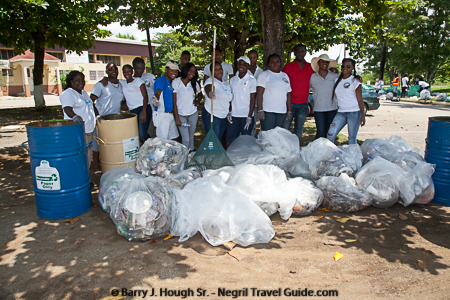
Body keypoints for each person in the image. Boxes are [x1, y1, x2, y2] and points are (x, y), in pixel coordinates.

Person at [90, 63, 124, 176]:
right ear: (106, 71)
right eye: (110, 69)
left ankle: (112, 164)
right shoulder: (101, 85)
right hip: (102, 120)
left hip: (115, 120)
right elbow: (91, 101)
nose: (113, 70)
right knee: (98, 144)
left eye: (115, 68)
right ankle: (96, 166)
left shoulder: (120, 84)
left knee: (112, 143)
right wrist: (97, 116)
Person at [60, 71, 96, 171]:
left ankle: (85, 179)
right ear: (71, 82)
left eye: (82, 80)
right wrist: (75, 117)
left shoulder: (83, 92)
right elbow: (67, 108)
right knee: (80, 156)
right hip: (79, 131)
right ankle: (80, 180)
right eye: (77, 80)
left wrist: (97, 116)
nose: (81, 82)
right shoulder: (68, 93)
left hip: (88, 129)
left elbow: (91, 106)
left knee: (88, 156)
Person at [326, 58, 365, 145]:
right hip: (341, 112)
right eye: (343, 66)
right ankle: (329, 155)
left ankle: (353, 157)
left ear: (352, 68)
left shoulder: (355, 81)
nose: (345, 68)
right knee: (330, 134)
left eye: (348, 66)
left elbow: (360, 99)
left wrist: (362, 115)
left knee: (351, 138)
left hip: (354, 112)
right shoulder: (337, 80)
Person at [282, 44, 314, 142]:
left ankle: (296, 150)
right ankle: (283, 149)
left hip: (303, 104)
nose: (300, 53)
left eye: (302, 51)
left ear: (305, 53)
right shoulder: (287, 68)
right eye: (298, 51)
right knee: (285, 129)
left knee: (299, 130)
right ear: (294, 53)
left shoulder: (310, 67)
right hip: (289, 103)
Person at [225, 56, 256, 148]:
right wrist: (230, 111)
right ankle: (230, 160)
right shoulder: (232, 79)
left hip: (246, 116)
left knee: (246, 143)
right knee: (229, 141)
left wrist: (250, 116)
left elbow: (253, 99)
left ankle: (245, 161)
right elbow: (230, 97)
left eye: (244, 64)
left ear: (248, 66)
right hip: (234, 116)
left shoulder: (252, 80)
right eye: (240, 64)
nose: (241, 66)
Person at [256, 53, 292, 131]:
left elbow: (288, 94)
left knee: (277, 135)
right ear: (269, 64)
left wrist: (289, 111)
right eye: (272, 62)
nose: (275, 63)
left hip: (281, 111)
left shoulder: (285, 76)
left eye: (277, 61)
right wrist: (260, 110)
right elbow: (259, 93)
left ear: (280, 63)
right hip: (268, 111)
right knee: (268, 136)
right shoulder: (264, 75)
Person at [172, 63, 202, 152]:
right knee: (186, 139)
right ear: (185, 70)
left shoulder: (194, 83)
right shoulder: (176, 82)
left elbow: (200, 95)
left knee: (191, 136)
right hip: (181, 115)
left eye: (194, 72)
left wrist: (197, 101)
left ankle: (191, 154)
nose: (192, 73)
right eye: (190, 71)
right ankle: (184, 158)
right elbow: (174, 102)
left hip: (192, 114)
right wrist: (177, 118)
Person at [309, 54, 339, 139]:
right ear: (318, 63)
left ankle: (328, 150)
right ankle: (316, 150)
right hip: (319, 109)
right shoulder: (313, 77)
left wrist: (356, 77)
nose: (325, 63)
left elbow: (346, 80)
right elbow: (305, 88)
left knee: (329, 132)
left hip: (332, 108)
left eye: (327, 61)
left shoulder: (334, 75)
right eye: (322, 61)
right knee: (320, 132)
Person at [202, 62, 233, 140]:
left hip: (223, 116)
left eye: (220, 69)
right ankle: (209, 152)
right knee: (213, 140)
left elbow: (228, 100)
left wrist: (229, 112)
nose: (219, 71)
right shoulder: (210, 80)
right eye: (215, 69)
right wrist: (210, 93)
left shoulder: (226, 84)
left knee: (217, 140)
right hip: (212, 115)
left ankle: (213, 152)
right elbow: (208, 87)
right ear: (211, 72)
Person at [120, 64, 150, 143]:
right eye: (125, 72)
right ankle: (146, 151)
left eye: (129, 71)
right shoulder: (122, 83)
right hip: (132, 111)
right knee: (137, 134)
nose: (127, 74)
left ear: (132, 71)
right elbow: (111, 80)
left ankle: (154, 143)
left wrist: (144, 112)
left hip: (143, 108)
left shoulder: (138, 81)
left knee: (142, 134)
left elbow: (145, 96)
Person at [153, 61, 180, 141]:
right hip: (162, 115)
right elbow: (158, 92)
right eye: (172, 70)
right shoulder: (161, 80)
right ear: (166, 70)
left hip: (169, 114)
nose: (174, 73)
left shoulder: (169, 82)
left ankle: (171, 153)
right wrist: (155, 100)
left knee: (175, 137)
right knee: (162, 141)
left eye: (176, 71)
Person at [131, 57, 156, 138]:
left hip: (152, 109)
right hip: (137, 109)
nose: (140, 70)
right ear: (133, 68)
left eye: (142, 68)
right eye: (138, 68)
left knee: (147, 132)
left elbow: (157, 88)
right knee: (139, 133)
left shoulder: (149, 76)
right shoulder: (131, 80)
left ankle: (149, 147)